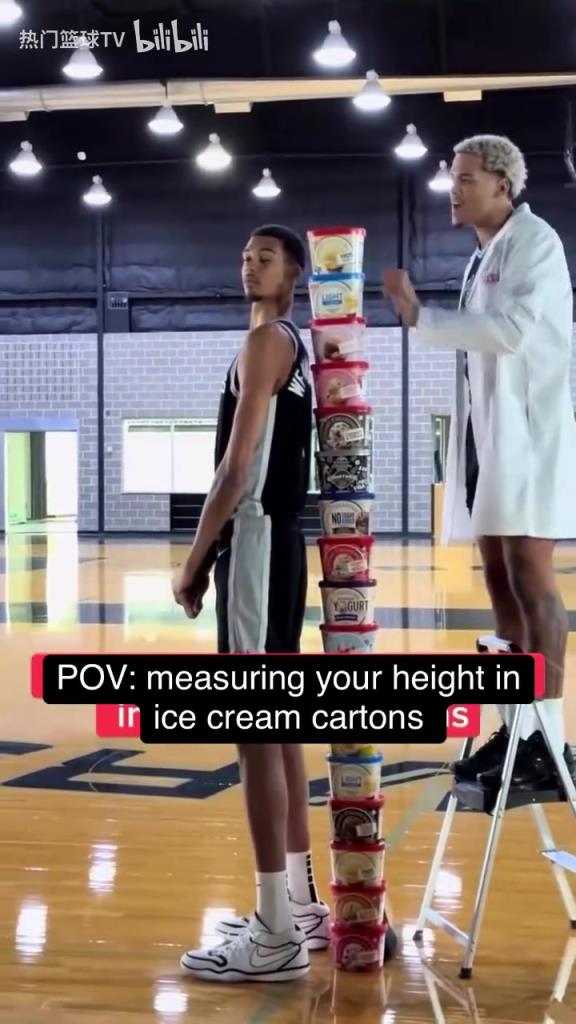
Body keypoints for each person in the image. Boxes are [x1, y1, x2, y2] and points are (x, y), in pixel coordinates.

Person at [383, 135, 576, 792]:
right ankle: (516, 732)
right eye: (451, 177)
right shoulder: (481, 257)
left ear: (502, 183)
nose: (453, 188)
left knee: (530, 578)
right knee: (497, 581)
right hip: (488, 438)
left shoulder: (536, 242)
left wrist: (421, 317)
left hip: (531, 438)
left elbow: (513, 332)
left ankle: (551, 740)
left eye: (465, 178)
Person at [172, 224, 329, 983]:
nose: (249, 265)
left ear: (295, 272)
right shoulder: (294, 347)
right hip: (280, 545)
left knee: (255, 729)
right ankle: (298, 905)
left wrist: (193, 561)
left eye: (266, 256)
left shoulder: (267, 343)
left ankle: (274, 935)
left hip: (260, 541)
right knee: (281, 724)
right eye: (244, 255)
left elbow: (236, 472)